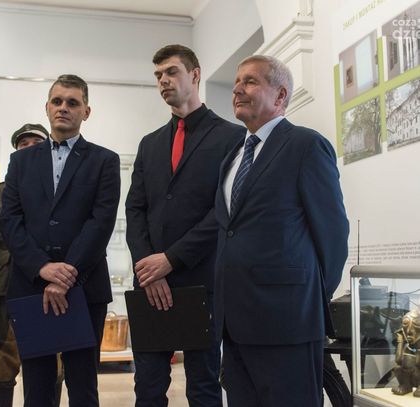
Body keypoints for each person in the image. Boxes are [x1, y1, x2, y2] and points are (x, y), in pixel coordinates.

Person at [214, 55, 349, 406]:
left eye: (250, 81)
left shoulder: (306, 146)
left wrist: (308, 300)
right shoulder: (232, 157)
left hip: (288, 322)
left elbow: (333, 236)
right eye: (237, 81)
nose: (237, 89)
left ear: (280, 95)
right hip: (234, 323)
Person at [125, 44, 243, 407]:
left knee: (204, 387)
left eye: (171, 72)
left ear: (195, 75)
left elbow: (224, 210)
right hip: (150, 284)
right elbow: (135, 209)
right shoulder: (149, 144)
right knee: (147, 388)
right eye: (158, 75)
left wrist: (171, 259)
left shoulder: (231, 137)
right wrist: (149, 269)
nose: (163, 80)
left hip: (202, 280)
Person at [0, 74, 121, 407]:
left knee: (83, 387)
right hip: (31, 286)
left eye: (72, 102)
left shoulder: (104, 160)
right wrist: (42, 267)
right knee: (36, 388)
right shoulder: (21, 161)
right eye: (57, 101)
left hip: (83, 286)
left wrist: (66, 273)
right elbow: (10, 220)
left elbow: (101, 222)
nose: (63, 108)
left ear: (86, 111)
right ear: (47, 107)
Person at [0, 123, 64, 407]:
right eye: (23, 144)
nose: (28, 148)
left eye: (36, 143)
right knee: (6, 354)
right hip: (6, 282)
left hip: (49, 280)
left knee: (53, 355)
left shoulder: (60, 186)